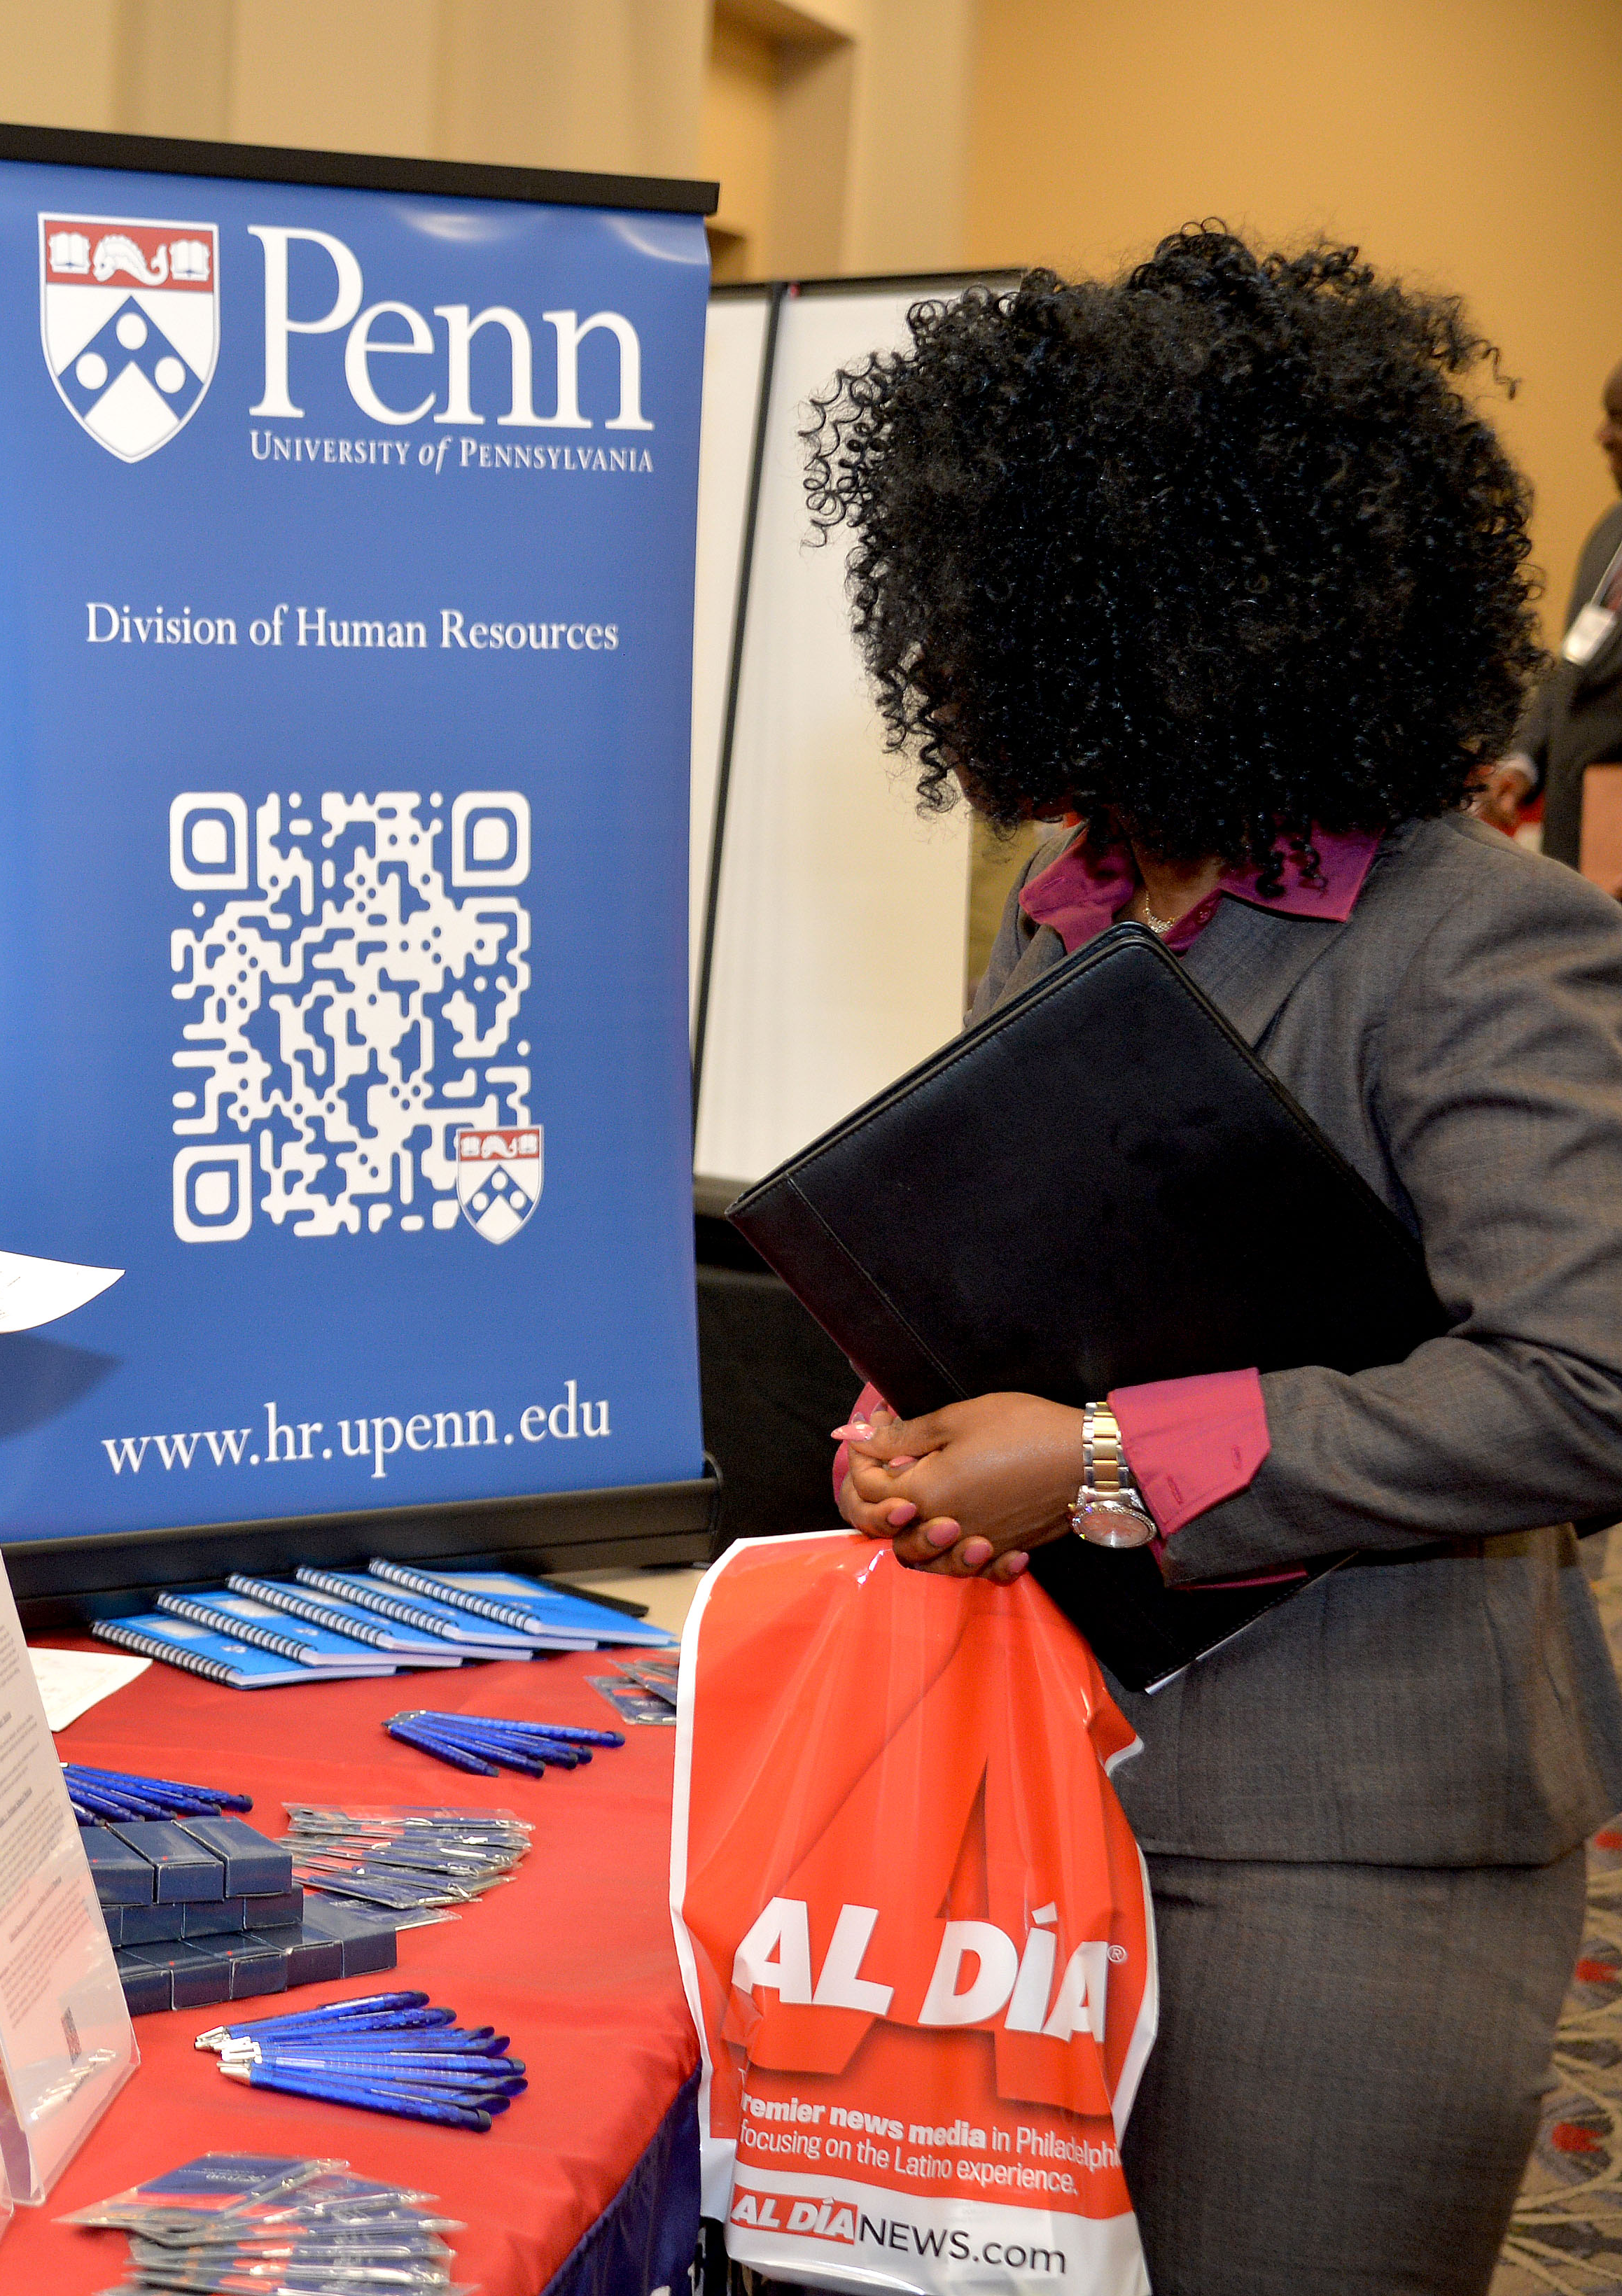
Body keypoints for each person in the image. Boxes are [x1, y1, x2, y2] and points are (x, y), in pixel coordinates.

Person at [813, 230, 1622, 2291]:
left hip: (1352, 1847)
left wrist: (1089, 1459)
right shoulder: (1061, 900)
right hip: (1033, 1801)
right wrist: (906, 1423)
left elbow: (1581, 1382)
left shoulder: (1475, 938)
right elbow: (1005, 1239)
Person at [1478, 357, 1622, 867]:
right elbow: (1574, 664)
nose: (1602, 435)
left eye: (1619, 416)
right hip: (1577, 843)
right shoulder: (1611, 529)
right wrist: (1522, 762)